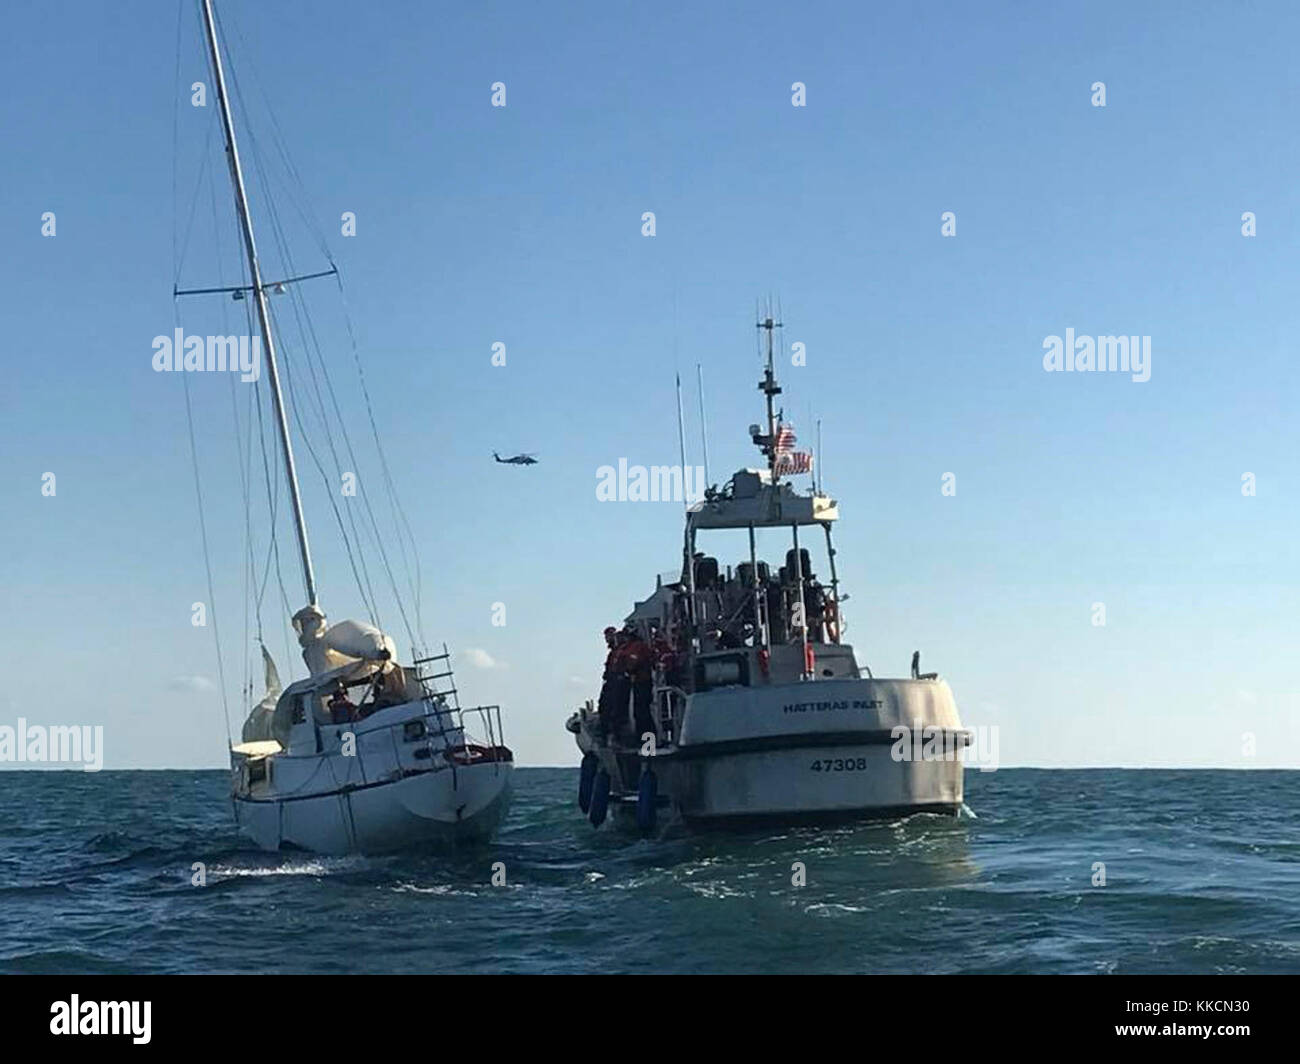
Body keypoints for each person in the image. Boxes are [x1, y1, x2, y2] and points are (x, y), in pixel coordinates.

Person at [621, 624, 655, 741]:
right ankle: (644, 741)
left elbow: (634, 663)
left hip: (642, 682)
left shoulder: (637, 647)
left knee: (642, 713)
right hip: (638, 682)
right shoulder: (634, 647)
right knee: (639, 713)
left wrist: (627, 671)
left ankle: (648, 743)